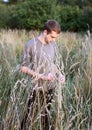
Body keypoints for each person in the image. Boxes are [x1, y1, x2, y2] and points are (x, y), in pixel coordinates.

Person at [20, 19, 65, 130]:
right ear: (45, 32)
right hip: (37, 86)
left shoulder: (53, 44)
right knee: (28, 117)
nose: (54, 40)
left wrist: (60, 74)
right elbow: (23, 68)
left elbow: (51, 63)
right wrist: (42, 77)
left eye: (55, 38)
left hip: (50, 86)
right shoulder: (31, 45)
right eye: (52, 37)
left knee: (46, 116)